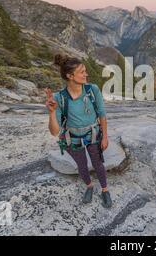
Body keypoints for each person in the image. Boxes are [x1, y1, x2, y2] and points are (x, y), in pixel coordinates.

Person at [45, 54, 112, 208]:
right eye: (82, 72)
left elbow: (102, 114)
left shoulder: (92, 90)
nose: (86, 74)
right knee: (81, 165)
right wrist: (51, 112)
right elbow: (54, 132)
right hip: (72, 139)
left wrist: (105, 137)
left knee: (98, 164)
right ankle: (89, 186)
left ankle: (104, 189)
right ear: (70, 76)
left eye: (85, 71)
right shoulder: (58, 98)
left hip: (93, 135)